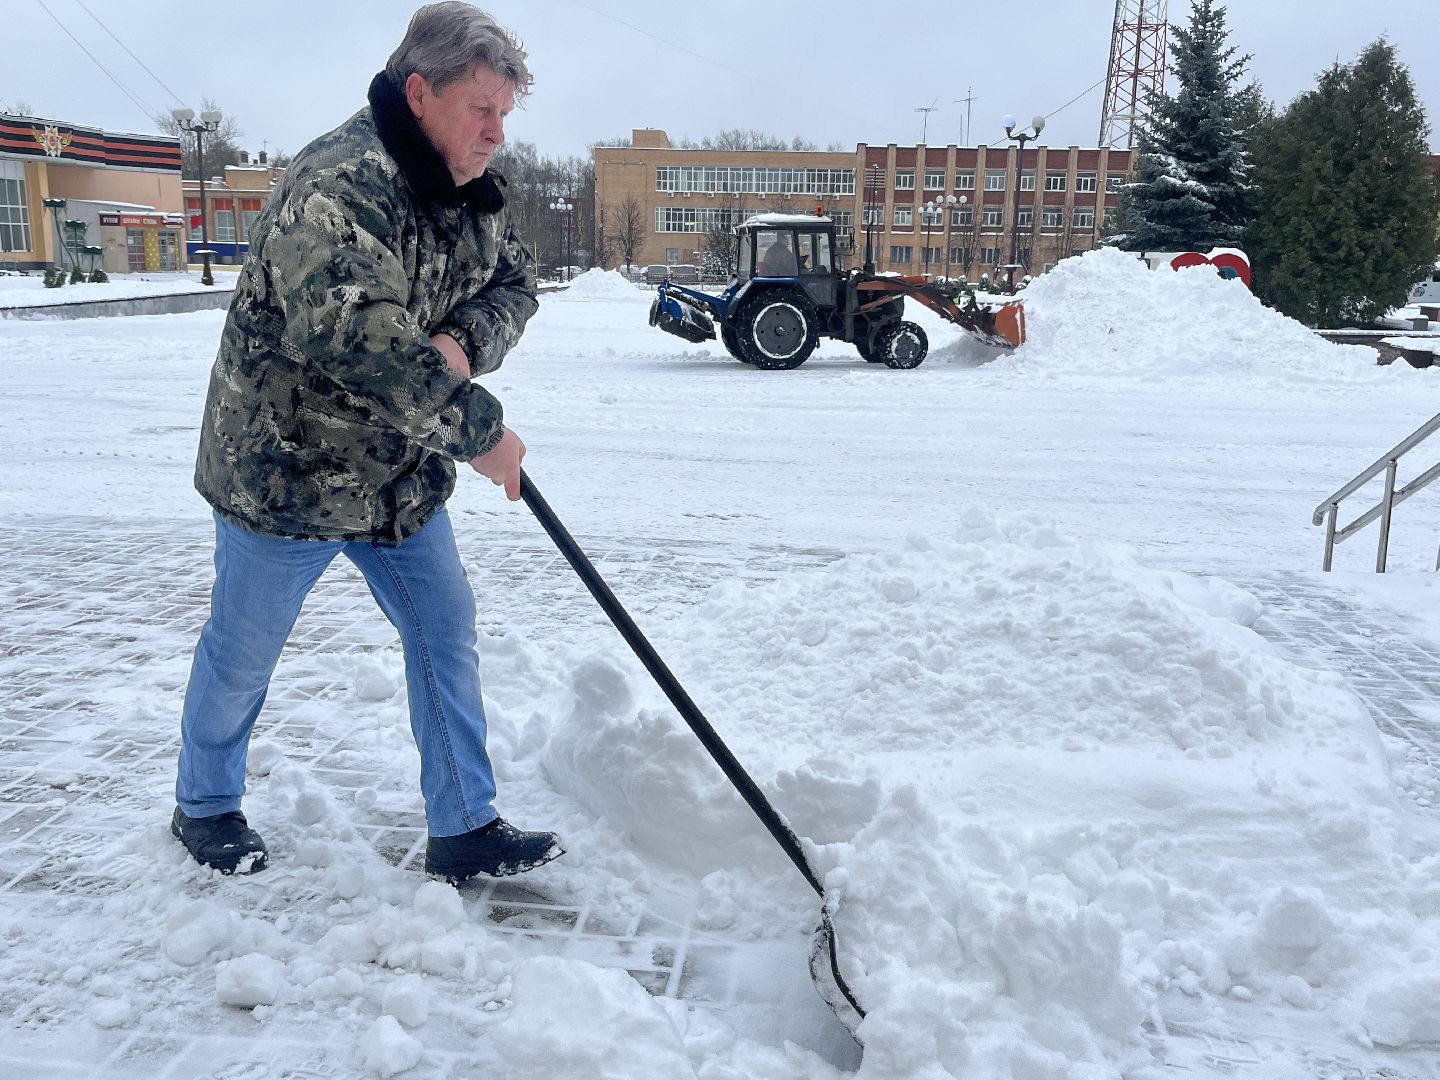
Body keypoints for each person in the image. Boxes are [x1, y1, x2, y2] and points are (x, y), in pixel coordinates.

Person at [172, 2, 562, 884]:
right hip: (287, 473)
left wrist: (463, 344)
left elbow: (516, 284)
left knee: (443, 627)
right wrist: (480, 432)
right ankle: (204, 802)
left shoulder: (466, 190)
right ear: (419, 94)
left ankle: (464, 825)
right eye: (483, 110)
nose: (497, 134)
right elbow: (361, 343)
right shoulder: (336, 187)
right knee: (242, 652)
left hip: (396, 474)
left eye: (506, 114)